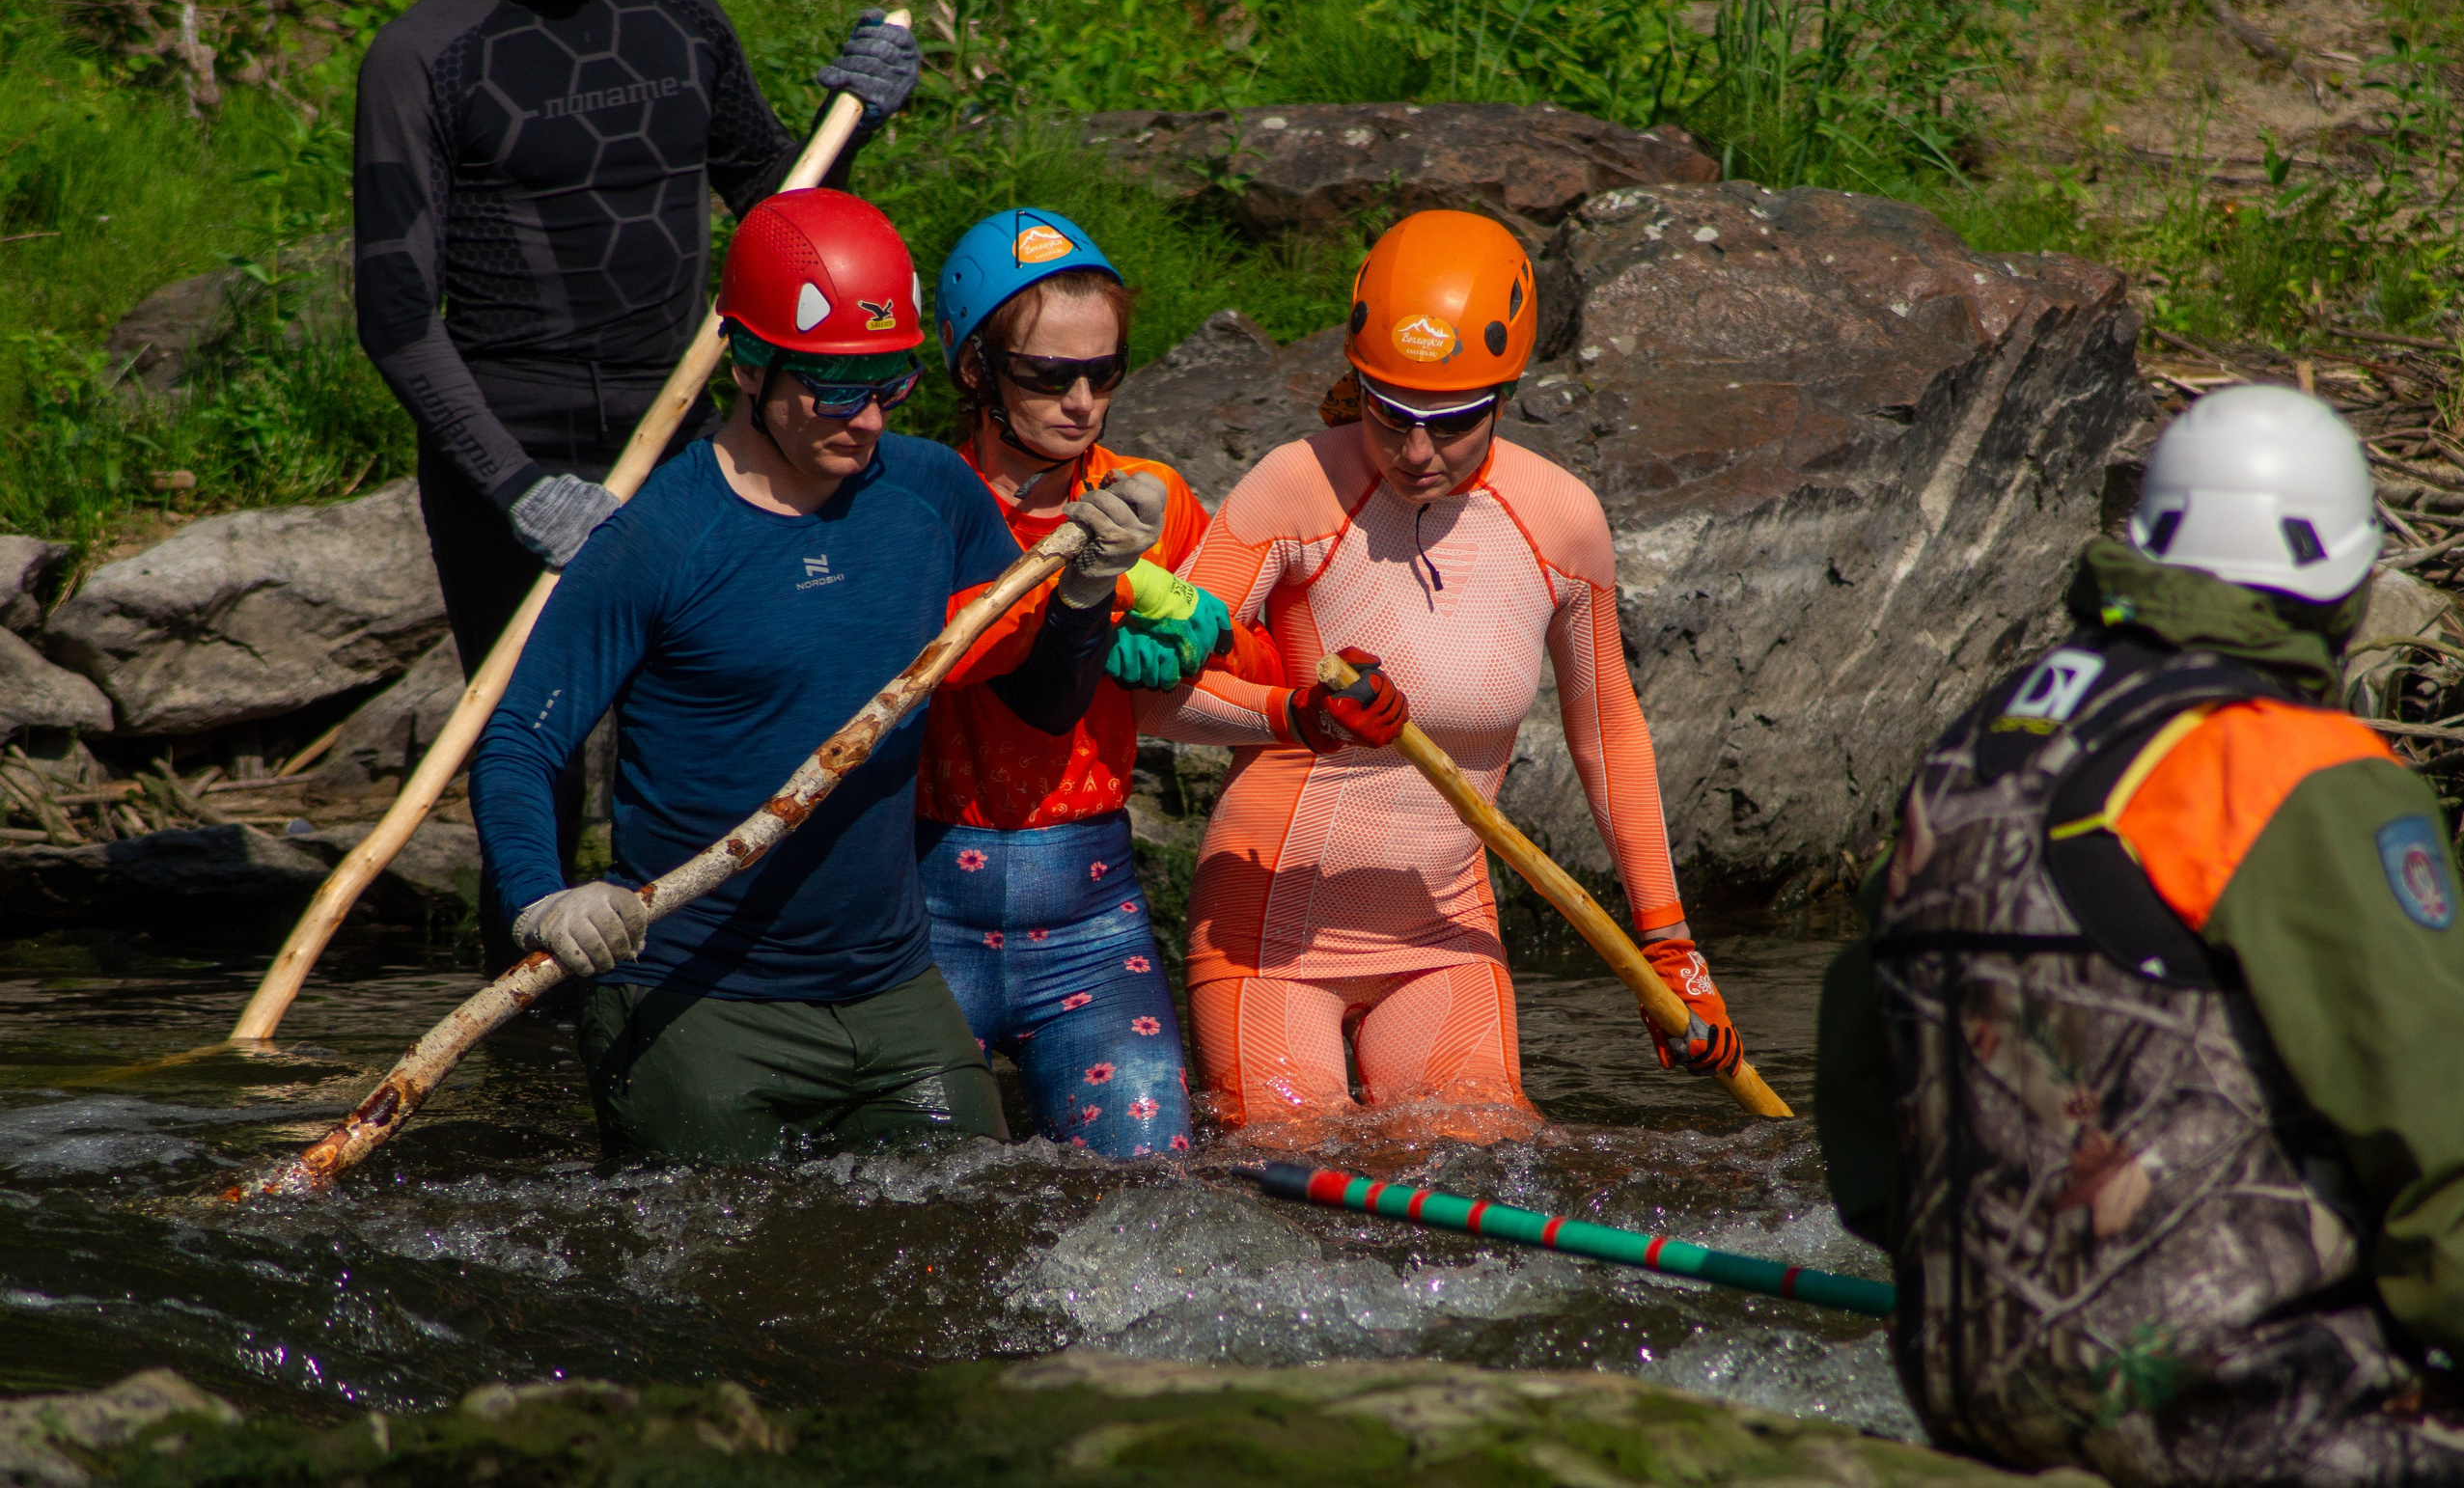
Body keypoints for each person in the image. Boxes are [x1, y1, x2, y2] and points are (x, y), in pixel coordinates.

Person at [1815, 385, 2464, 1485]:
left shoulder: (1986, 743)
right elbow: (2438, 1133)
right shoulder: (2302, 770)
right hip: (2253, 1406)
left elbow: (1860, 1086)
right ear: (2346, 583)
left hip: (1967, 1387)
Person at [469, 189, 1168, 1161]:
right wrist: (542, 896)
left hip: (891, 989)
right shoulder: (655, 539)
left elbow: (1040, 703)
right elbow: (520, 739)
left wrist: (1087, 592)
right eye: (838, 389)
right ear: (749, 367)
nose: (869, 419)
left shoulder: (931, 496)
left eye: (893, 383)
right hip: (692, 993)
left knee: (974, 1232)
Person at [354, 0, 922, 951]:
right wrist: (517, 491)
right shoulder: (421, 54)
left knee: (713, 726)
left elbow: (777, 217)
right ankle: (524, 1044)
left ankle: (728, 991)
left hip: (683, 441)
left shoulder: (678, 14)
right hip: (508, 452)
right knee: (538, 758)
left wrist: (850, 127)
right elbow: (394, 318)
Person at [1140, 209, 1748, 1142]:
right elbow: (1151, 694)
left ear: (1506, 393)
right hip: (1269, 938)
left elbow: (1607, 734)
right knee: (1298, 1180)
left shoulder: (1561, 520)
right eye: (1390, 415)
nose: (1417, 453)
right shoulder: (1292, 485)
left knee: (1488, 1171)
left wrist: (1670, 946)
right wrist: (1302, 714)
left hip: (1441, 934)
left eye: (1453, 423)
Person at [913, 208, 1267, 1159]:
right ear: (974, 369)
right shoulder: (919, 502)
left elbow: (1257, 650)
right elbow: (974, 666)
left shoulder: (1150, 497)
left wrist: (1295, 683)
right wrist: (1084, 601)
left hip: (1091, 924)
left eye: (1103, 372)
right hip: (920, 918)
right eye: (1046, 375)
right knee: (909, 1204)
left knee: (1152, 1186)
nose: (1081, 401)